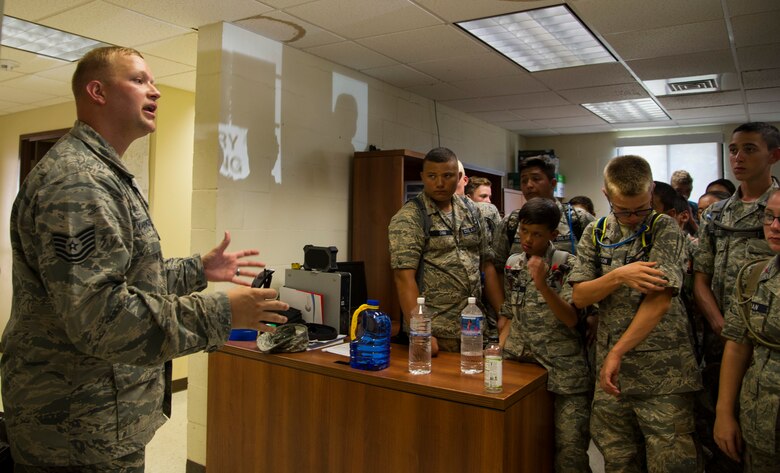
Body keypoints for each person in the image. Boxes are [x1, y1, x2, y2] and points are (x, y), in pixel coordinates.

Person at [0, 47, 289, 471]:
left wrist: (197, 271)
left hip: (96, 415)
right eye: (138, 80)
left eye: (153, 81)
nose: (154, 92)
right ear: (96, 91)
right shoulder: (80, 182)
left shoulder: (102, 173)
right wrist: (221, 313)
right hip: (72, 427)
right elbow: (102, 318)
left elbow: (123, 280)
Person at [569, 155, 702, 472]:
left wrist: (617, 351)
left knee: (670, 462)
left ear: (652, 191)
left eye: (642, 208)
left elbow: (659, 301)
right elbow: (579, 294)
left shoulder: (664, 228)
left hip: (663, 375)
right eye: (623, 210)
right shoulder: (596, 233)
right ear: (606, 196)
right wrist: (618, 276)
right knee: (618, 460)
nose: (633, 218)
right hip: (613, 378)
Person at [694, 122, 780, 472]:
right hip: (722, 341)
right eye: (733, 149)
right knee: (720, 433)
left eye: (749, 149)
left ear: (774, 155)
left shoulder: (775, 211)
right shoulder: (716, 213)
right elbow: (701, 277)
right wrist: (718, 322)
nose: (738, 157)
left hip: (767, 341)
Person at [499, 198, 591, 473]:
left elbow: (571, 318)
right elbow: (509, 313)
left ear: (553, 234)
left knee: (570, 452)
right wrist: (494, 351)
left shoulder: (568, 265)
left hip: (564, 372)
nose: (527, 239)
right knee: (523, 446)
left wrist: (542, 285)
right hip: (521, 364)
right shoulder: (513, 263)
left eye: (536, 234)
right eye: (524, 231)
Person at [388, 147, 502, 354]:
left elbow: (487, 265)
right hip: (437, 333)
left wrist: (504, 315)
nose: (439, 183)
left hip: (475, 327)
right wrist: (421, 332)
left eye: (447, 176)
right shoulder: (410, 217)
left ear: (459, 177)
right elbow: (403, 279)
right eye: (432, 176)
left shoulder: (472, 210)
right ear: (423, 177)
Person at [714, 189, 780, 470]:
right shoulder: (754, 275)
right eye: (770, 216)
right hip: (760, 424)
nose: (775, 226)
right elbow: (737, 346)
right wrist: (724, 413)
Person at [494, 156, 595, 263]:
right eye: (524, 181)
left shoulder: (579, 218)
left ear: (553, 184)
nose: (529, 185)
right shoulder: (511, 222)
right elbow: (497, 267)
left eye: (536, 179)